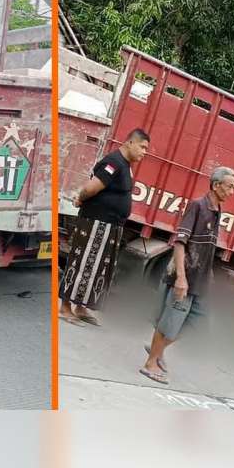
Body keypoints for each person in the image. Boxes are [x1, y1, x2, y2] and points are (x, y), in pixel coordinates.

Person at [141, 166, 234, 385]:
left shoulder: (217, 210)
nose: (232, 192)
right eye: (230, 187)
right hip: (186, 277)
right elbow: (180, 242)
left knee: (198, 324)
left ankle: (158, 349)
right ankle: (150, 363)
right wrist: (181, 278)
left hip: (200, 281)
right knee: (170, 321)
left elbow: (206, 247)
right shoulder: (198, 206)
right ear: (216, 185)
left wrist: (209, 275)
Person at [58, 129, 150, 327]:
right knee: (82, 264)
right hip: (96, 223)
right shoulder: (114, 162)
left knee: (96, 269)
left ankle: (81, 307)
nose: (144, 152)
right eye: (142, 147)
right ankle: (65, 308)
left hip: (110, 226)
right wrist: (79, 199)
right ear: (130, 143)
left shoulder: (125, 165)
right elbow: (91, 188)